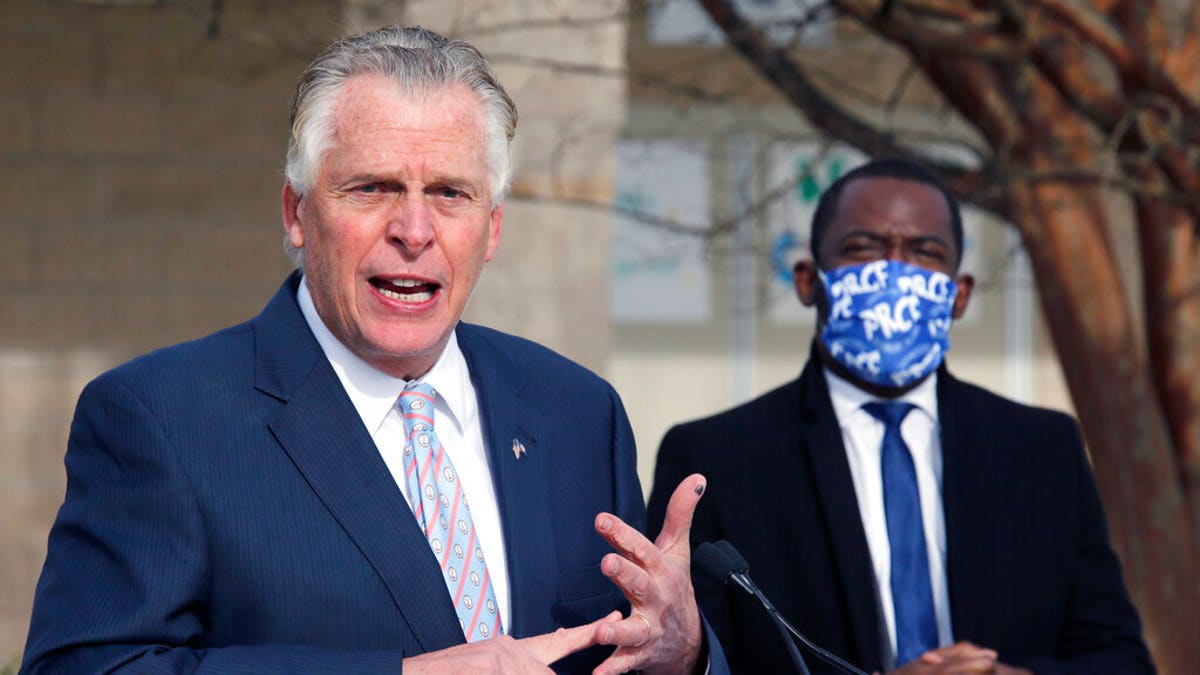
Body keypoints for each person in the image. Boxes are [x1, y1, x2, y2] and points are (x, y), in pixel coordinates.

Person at [23, 26, 726, 675]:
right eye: (373, 187)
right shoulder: (160, 416)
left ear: (492, 228)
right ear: (297, 213)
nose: (414, 230)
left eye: (450, 193)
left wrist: (684, 650)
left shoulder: (576, 409)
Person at [648, 158, 1154, 674]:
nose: (895, 271)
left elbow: (1121, 659)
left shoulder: (1044, 449)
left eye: (924, 252)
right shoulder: (717, 459)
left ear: (959, 295)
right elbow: (692, 659)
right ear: (807, 281)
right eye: (863, 248)